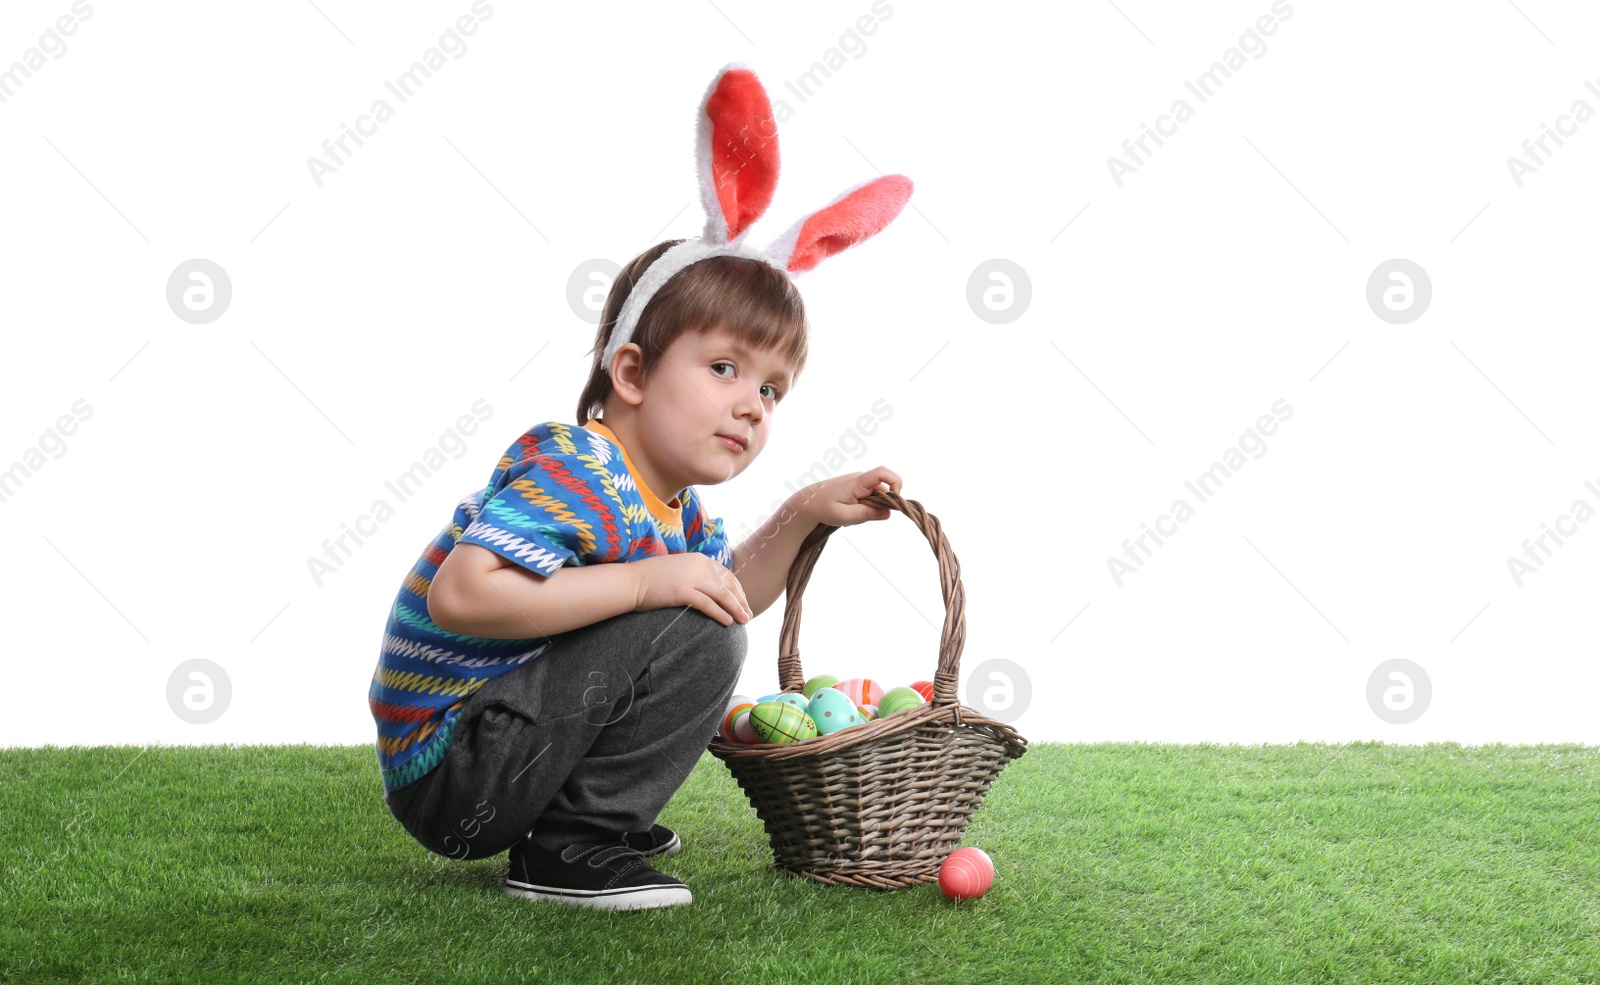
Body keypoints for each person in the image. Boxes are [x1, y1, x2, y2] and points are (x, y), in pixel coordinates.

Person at [369, 63, 914, 910]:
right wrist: (641, 581)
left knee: (701, 617)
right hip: (453, 767)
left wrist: (808, 511)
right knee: (691, 623)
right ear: (631, 370)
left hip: (507, 749)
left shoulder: (672, 508)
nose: (751, 404)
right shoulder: (573, 465)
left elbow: (722, 595)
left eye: (771, 389)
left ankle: (575, 815)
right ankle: (568, 846)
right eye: (725, 367)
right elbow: (462, 596)